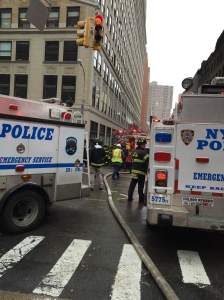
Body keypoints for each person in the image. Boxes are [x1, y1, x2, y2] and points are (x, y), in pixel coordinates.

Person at [128, 138, 149, 203]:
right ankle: (141, 199)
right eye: (144, 144)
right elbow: (147, 162)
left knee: (132, 184)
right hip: (141, 172)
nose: (145, 145)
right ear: (141, 145)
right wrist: (147, 171)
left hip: (134, 171)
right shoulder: (144, 153)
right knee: (140, 186)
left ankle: (130, 197)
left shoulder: (134, 151)